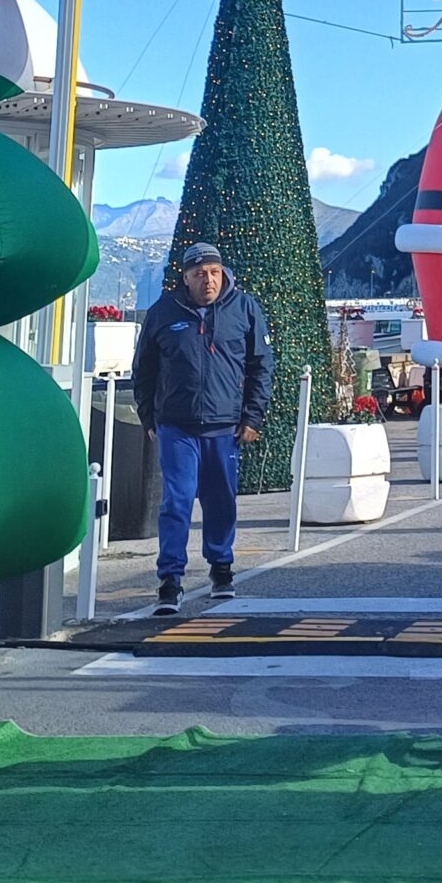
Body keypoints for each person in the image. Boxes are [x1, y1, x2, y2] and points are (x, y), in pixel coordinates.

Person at [132, 242, 277, 614]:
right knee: (176, 502)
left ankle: (221, 569)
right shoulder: (163, 312)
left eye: (213, 272)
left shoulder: (244, 308)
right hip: (176, 427)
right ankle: (170, 581)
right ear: (185, 277)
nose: (208, 280)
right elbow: (143, 369)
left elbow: (262, 366)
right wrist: (149, 417)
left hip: (224, 427)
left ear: (223, 273)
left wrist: (252, 418)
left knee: (220, 500)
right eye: (199, 274)